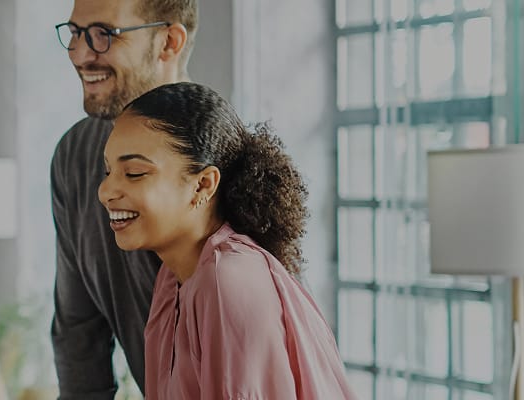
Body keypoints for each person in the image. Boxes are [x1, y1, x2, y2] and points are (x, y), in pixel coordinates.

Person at [99, 82, 355, 399]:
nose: (106, 191)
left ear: (203, 185)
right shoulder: (173, 279)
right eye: (108, 171)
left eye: (134, 172)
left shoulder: (226, 280)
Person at [48, 0, 196, 397]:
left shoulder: (223, 164)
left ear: (168, 42)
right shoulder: (74, 156)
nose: (80, 54)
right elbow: (78, 339)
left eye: (103, 35)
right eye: (76, 33)